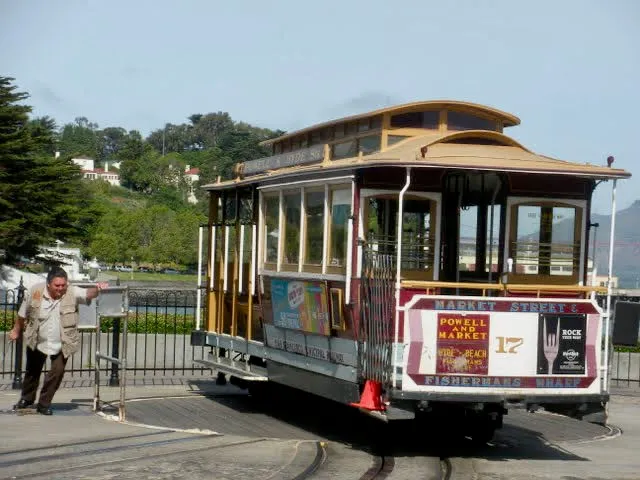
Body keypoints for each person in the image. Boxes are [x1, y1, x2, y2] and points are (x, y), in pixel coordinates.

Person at [8, 266, 107, 415]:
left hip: (62, 341)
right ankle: (27, 399)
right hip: (37, 339)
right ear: (48, 284)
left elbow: (88, 294)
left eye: (63, 285)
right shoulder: (35, 291)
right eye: (57, 285)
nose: (60, 288)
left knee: (57, 373)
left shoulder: (72, 291)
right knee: (32, 372)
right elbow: (23, 314)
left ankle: (44, 403)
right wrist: (16, 330)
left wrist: (97, 289)